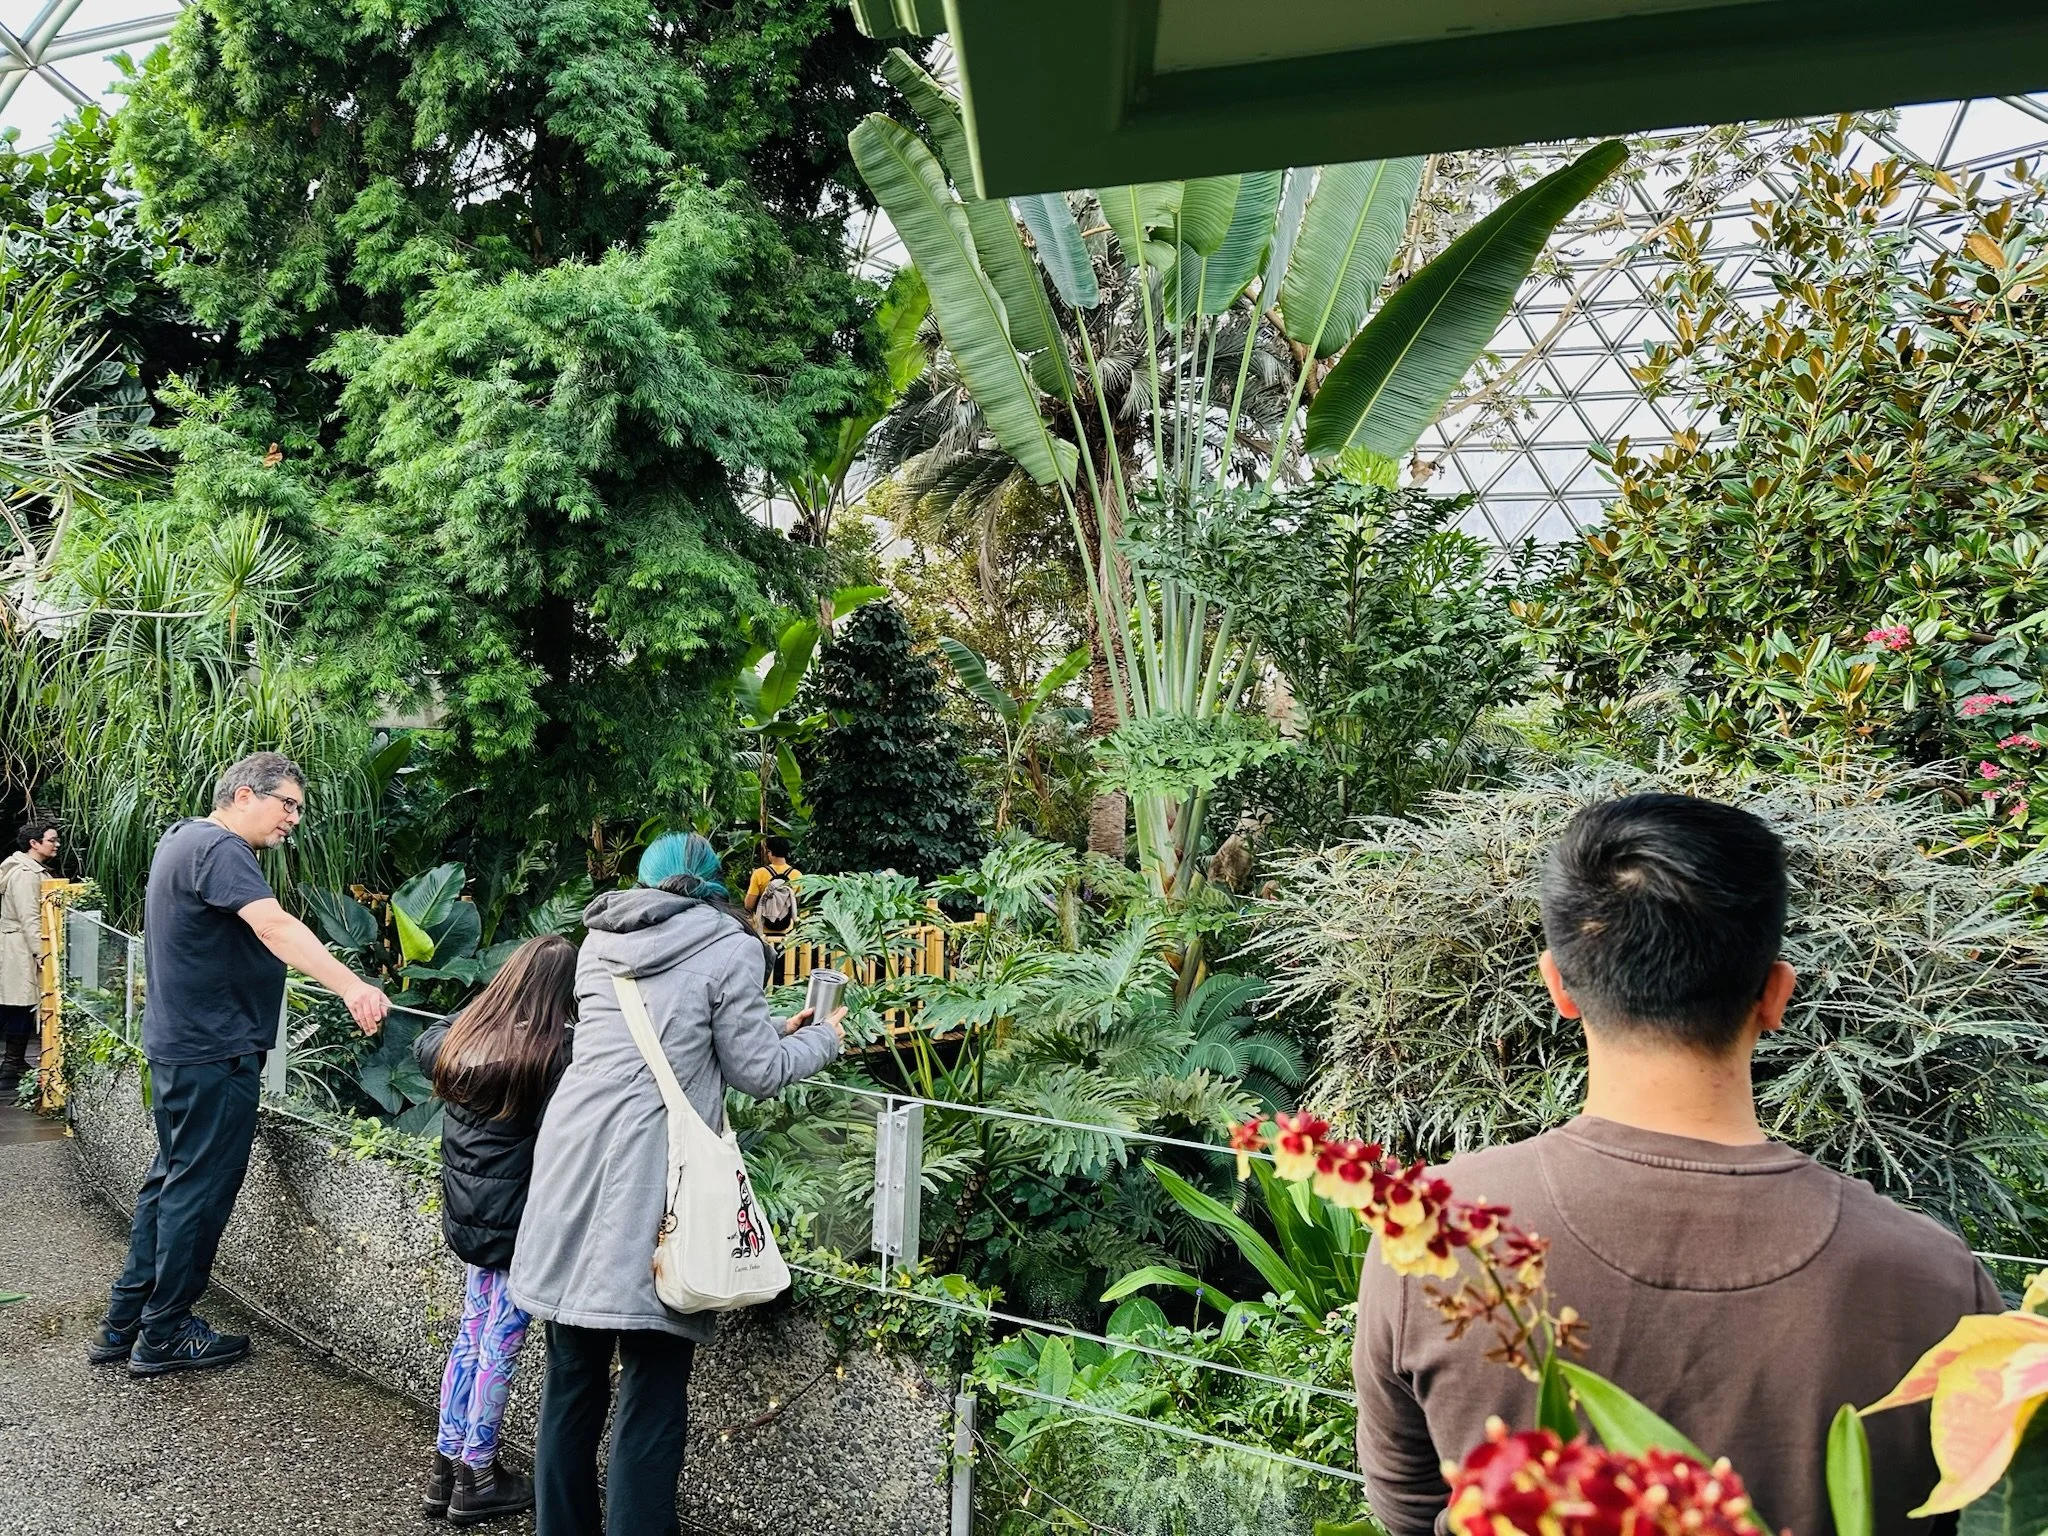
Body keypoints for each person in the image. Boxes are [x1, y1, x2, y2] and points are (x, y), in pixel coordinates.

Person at [1352, 793, 2002, 1536]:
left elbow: (1408, 1514)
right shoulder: (1934, 1279)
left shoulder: (1436, 1231)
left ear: (1557, 985)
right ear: (1775, 995)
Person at [510, 831, 845, 1536]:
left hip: (574, 1158)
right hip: (652, 1174)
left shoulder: (599, 940)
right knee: (653, 1384)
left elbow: (658, 1039)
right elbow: (757, 1071)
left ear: (645, 880)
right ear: (719, 886)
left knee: (571, 1376)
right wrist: (823, 1037)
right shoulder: (734, 947)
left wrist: (762, 1030)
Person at [90, 752, 391, 1376]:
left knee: (171, 1181)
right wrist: (352, 986)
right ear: (246, 795)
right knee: (198, 1193)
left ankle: (127, 1321)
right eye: (288, 805)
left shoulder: (181, 840)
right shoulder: (222, 849)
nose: (293, 821)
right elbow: (275, 927)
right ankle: (165, 1330)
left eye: (298, 811)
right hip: (213, 1053)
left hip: (182, 1047)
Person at [414, 933, 578, 1526]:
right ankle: (478, 1475)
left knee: (471, 1335)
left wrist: (482, 1008)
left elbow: (425, 1043)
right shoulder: (549, 1058)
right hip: (515, 1229)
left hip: (470, 1223)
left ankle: (445, 1467)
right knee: (500, 1346)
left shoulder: (461, 1042)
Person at [0, 818, 60, 1096]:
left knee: (19, 1005)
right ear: (34, 843)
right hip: (19, 949)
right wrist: (42, 952)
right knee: (19, 1005)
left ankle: (13, 1064)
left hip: (21, 946)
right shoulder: (25, 874)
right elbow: (30, 917)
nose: (56, 844)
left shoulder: (32, 870)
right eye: (51, 840)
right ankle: (11, 1066)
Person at [742, 835, 800, 945]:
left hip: (763, 931)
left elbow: (749, 904)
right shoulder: (797, 875)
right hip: (788, 932)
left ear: (770, 852)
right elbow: (796, 903)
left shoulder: (759, 873)